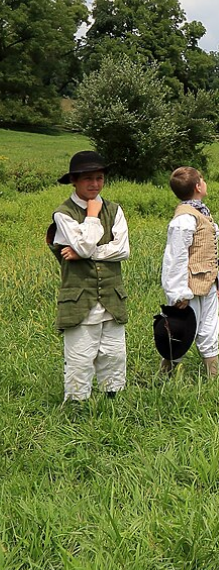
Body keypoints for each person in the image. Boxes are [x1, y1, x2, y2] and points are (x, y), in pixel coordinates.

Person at [48, 151, 130, 401]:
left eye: (99, 178)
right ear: (74, 180)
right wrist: (92, 215)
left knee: (114, 354)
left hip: (111, 299)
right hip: (79, 300)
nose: (95, 184)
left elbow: (122, 249)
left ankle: (112, 400)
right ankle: (76, 406)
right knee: (80, 357)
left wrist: (86, 253)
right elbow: (84, 246)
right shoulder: (63, 214)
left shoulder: (114, 210)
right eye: (88, 179)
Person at [160, 166, 219, 376]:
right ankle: (165, 375)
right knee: (181, 330)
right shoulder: (184, 220)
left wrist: (217, 281)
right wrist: (179, 294)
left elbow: (208, 254)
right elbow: (175, 259)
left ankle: (213, 377)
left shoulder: (200, 212)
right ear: (198, 186)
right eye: (203, 180)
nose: (205, 183)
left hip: (207, 284)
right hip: (188, 288)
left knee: (210, 330)